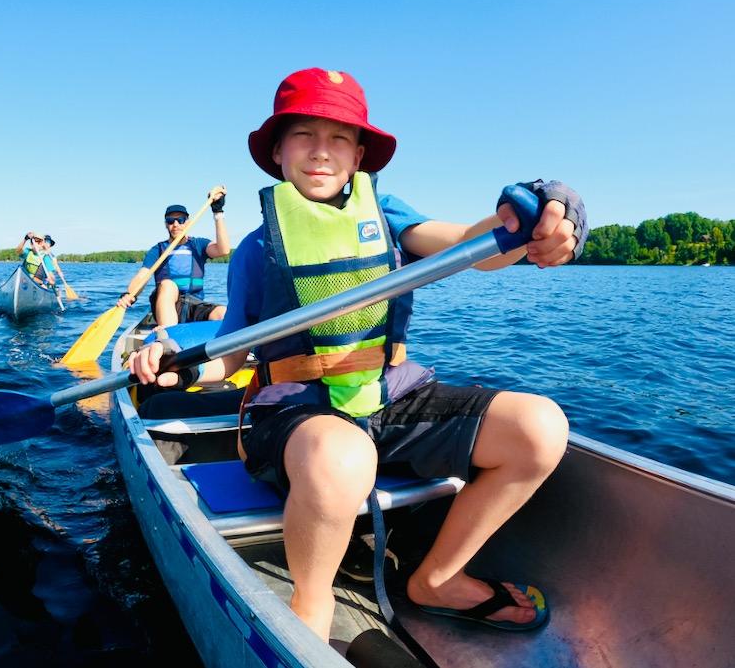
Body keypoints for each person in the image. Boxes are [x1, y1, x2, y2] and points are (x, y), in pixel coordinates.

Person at [128, 68, 587, 642]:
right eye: (303, 135)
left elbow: (475, 246)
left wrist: (543, 208)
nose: (321, 151)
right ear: (277, 151)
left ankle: (438, 579)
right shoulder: (255, 248)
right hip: (295, 411)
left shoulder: (388, 216)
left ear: (360, 155)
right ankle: (311, 605)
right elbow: (234, 352)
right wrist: (182, 366)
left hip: (388, 395)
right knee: (342, 455)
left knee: (539, 428)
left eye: (339, 138)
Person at [116, 189, 232, 326]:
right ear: (166, 224)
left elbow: (223, 250)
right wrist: (130, 294)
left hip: (194, 305)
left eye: (180, 220)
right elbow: (142, 276)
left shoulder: (198, 245)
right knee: (168, 285)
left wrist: (218, 212)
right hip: (167, 304)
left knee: (223, 313)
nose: (175, 224)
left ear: (187, 222)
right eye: (170, 221)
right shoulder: (158, 250)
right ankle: (168, 331)